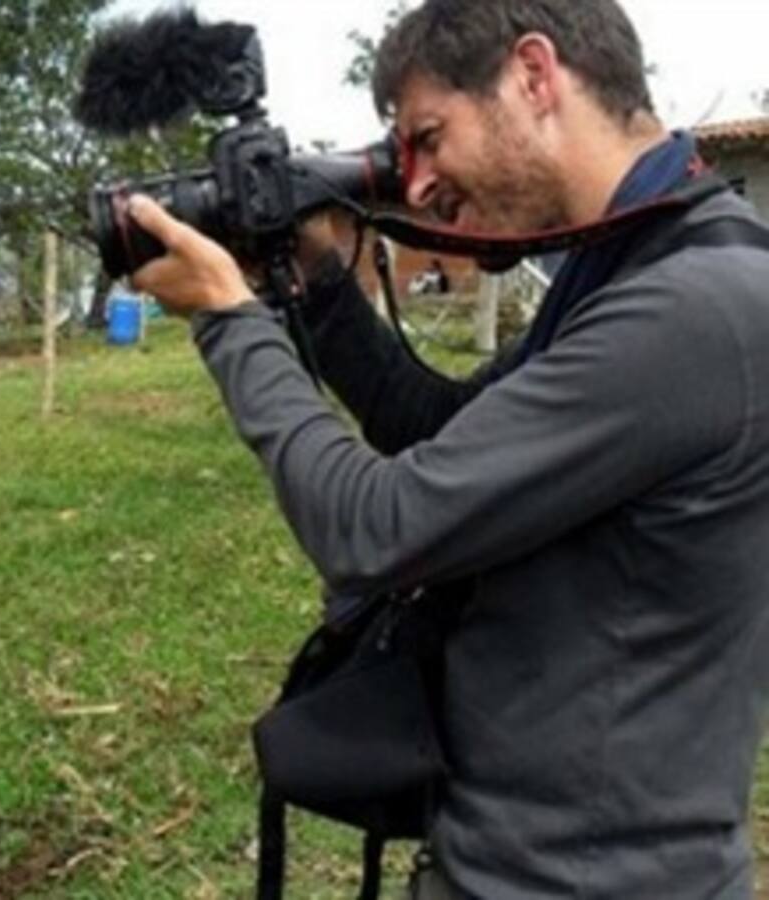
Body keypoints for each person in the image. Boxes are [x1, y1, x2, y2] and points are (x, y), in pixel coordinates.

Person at [123, 1, 769, 897]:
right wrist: (311, 271)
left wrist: (230, 321)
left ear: (535, 76)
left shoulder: (695, 309)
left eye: (429, 137)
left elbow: (375, 528)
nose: (415, 185)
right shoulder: (630, 267)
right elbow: (439, 426)